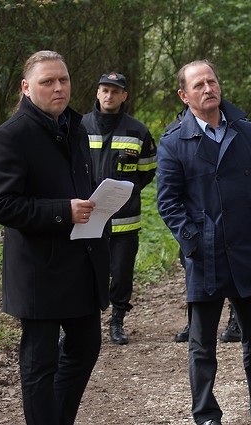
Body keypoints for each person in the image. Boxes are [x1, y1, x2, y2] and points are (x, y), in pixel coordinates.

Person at [156, 59, 251, 425]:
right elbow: (168, 203)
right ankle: (206, 414)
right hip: (205, 255)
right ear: (184, 95)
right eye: (199, 85)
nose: (208, 89)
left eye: (212, 81)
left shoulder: (246, 131)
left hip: (250, 248)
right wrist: (192, 242)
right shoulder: (173, 142)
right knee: (202, 344)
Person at [0, 50, 110, 425]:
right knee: (40, 364)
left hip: (81, 263)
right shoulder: (9, 137)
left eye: (63, 80)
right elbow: (0, 206)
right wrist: (62, 211)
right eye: (48, 82)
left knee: (86, 346)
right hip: (38, 270)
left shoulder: (76, 128)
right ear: (26, 88)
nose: (58, 88)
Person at [81, 71, 157, 345]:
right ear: (97, 92)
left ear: (124, 96)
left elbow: (147, 170)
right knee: (85, 272)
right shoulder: (80, 127)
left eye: (115, 91)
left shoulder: (138, 130)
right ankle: (82, 323)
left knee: (122, 273)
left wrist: (125, 193)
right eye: (105, 90)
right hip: (88, 216)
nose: (109, 95)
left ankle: (117, 320)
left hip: (125, 218)